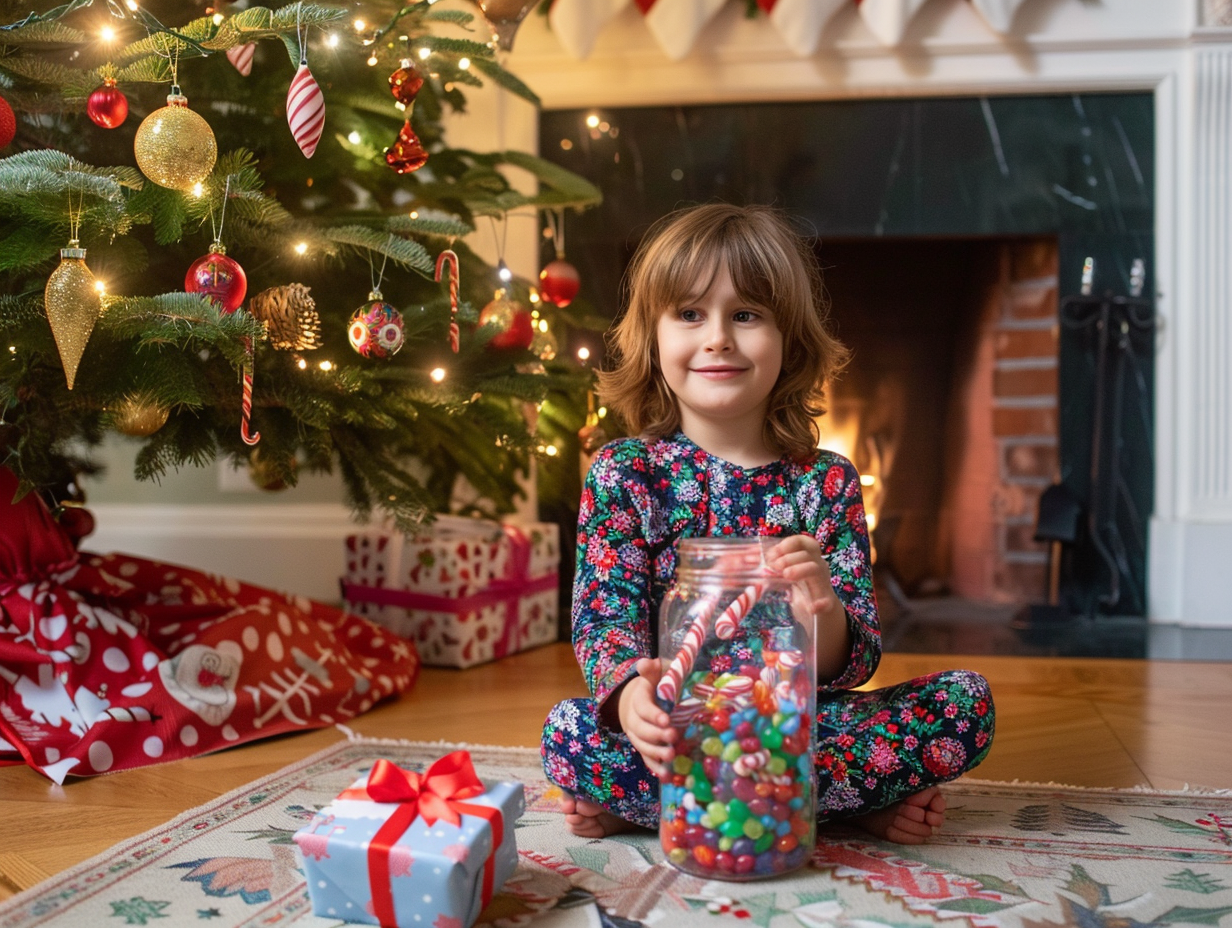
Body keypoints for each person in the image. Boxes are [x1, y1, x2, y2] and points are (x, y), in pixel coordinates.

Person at [540, 203, 994, 846]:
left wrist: (823, 610)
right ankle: (837, 806)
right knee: (568, 733)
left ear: (790, 341)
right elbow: (602, 618)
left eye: (746, 315)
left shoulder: (826, 482)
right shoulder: (625, 472)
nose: (719, 336)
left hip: (792, 722)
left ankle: (662, 805)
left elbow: (852, 662)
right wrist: (629, 703)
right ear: (653, 337)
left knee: (962, 704)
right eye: (690, 313)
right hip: (681, 718)